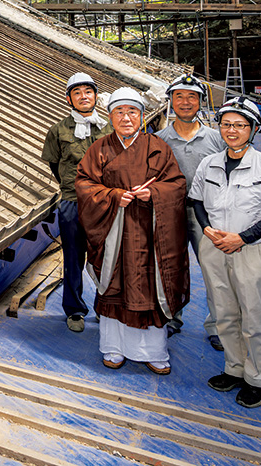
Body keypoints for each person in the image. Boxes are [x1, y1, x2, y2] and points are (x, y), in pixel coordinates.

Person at [75, 87, 188, 374]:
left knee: (150, 287)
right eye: (119, 112)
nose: (126, 118)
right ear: (111, 117)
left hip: (150, 234)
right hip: (114, 234)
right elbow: (85, 185)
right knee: (115, 287)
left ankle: (154, 351)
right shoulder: (99, 149)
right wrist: (113, 196)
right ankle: (113, 348)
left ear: (142, 116)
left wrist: (156, 195)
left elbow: (176, 184)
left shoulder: (157, 147)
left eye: (132, 112)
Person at [190, 96, 261, 408]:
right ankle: (234, 368)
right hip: (214, 248)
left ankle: (258, 378)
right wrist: (206, 229)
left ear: (254, 128)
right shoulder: (209, 163)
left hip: (253, 251)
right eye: (226, 124)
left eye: (239, 125)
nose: (231, 130)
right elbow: (197, 200)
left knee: (256, 317)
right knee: (224, 313)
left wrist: (242, 238)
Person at [157, 74, 225, 350]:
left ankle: (219, 325)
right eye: (179, 96)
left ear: (200, 102)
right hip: (170, 214)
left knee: (215, 270)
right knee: (170, 269)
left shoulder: (216, 139)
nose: (185, 102)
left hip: (206, 214)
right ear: (171, 101)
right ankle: (171, 318)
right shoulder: (160, 140)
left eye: (192, 97)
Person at [41, 71, 112, 332]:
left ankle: (105, 307)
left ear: (95, 96)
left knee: (105, 257)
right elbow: (54, 163)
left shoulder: (109, 127)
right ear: (69, 99)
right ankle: (75, 310)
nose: (84, 97)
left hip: (104, 203)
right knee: (73, 257)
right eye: (77, 93)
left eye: (88, 92)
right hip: (72, 202)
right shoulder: (58, 130)